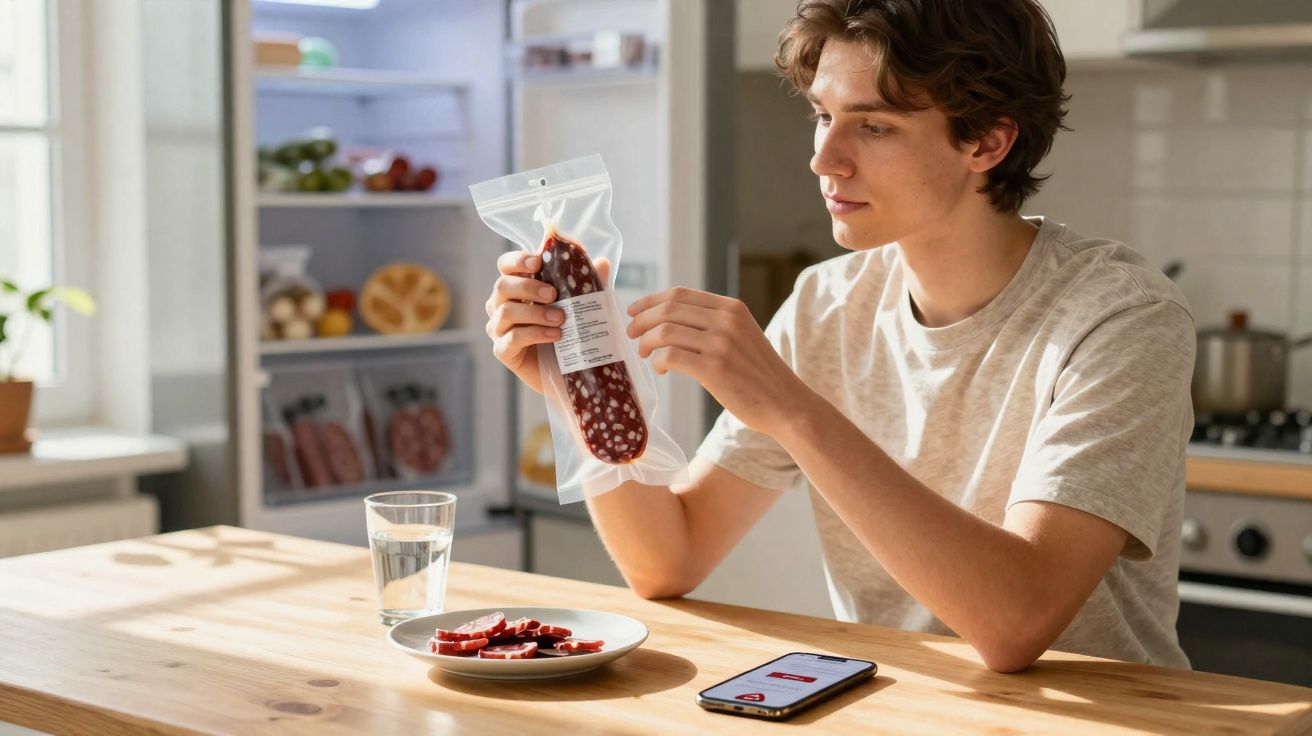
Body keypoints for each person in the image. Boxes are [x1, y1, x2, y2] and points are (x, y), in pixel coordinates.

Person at [483, 0, 1194, 673]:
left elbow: (1018, 621)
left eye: (874, 126)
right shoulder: (829, 302)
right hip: (898, 709)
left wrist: (791, 410)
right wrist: (574, 378)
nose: (826, 159)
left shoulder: (1121, 316)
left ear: (987, 141)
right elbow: (668, 559)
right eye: (822, 115)